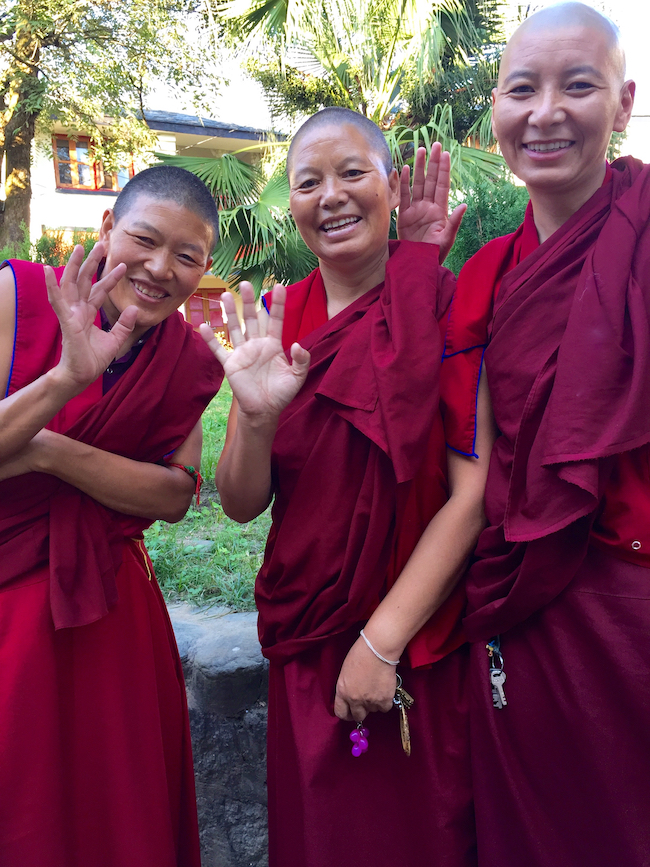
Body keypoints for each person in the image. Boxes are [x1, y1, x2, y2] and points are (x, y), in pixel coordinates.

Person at [201, 106, 494, 867]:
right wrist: (254, 418)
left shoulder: (447, 302)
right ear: (291, 203)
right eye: (308, 182)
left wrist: (381, 642)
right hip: (308, 637)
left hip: (415, 636)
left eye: (352, 173)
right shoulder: (281, 315)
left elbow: (471, 494)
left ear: (391, 186)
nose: (331, 195)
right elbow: (240, 503)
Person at [440, 4, 650, 865]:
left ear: (624, 104)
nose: (545, 112)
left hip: (631, 601)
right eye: (522, 89)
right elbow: (460, 451)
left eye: (579, 85)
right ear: (495, 110)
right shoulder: (485, 274)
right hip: (521, 595)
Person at [0, 165, 224, 867]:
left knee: (115, 806)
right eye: (145, 241)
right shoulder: (18, 294)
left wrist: (47, 452)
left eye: (186, 256)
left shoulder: (186, 356)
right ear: (107, 228)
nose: (160, 269)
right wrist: (66, 378)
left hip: (111, 605)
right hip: (9, 600)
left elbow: (173, 494)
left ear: (203, 268)